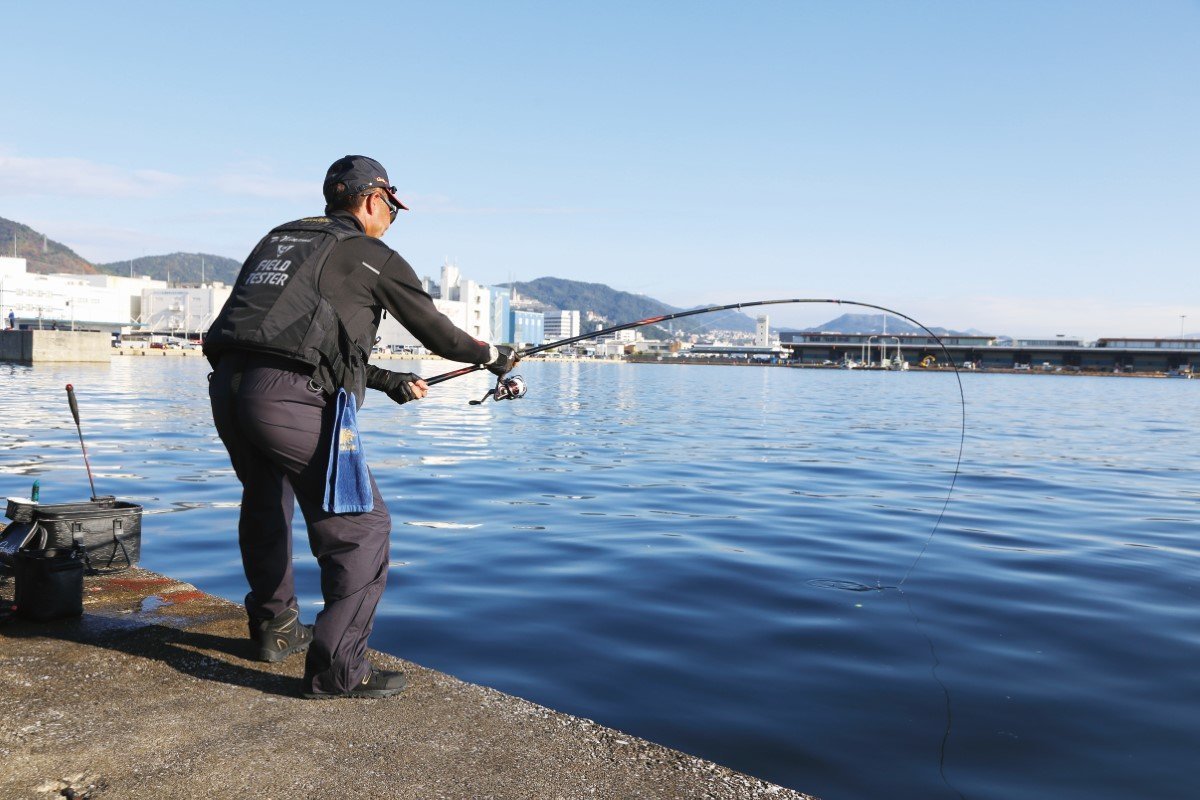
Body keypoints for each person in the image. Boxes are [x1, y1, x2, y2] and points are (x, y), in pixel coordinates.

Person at [204, 155, 518, 699]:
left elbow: (287, 339)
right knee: (361, 527)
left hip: (229, 390)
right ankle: (340, 671)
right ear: (375, 200)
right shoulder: (370, 254)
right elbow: (441, 336)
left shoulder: (282, 240)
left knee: (265, 504)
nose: (392, 220)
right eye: (393, 210)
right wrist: (493, 355)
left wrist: (385, 379)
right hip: (288, 401)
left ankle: (274, 629)